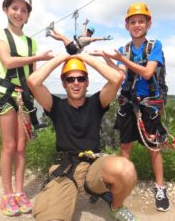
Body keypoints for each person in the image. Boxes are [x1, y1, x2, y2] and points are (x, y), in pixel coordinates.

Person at [27, 54, 139, 221]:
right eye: (70, 79)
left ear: (87, 82)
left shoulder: (96, 103)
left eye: (81, 78)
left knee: (126, 169)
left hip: (93, 167)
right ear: (64, 83)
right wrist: (62, 57)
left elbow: (117, 78)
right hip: (66, 170)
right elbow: (33, 82)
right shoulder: (55, 106)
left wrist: (82, 57)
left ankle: (116, 207)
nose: (76, 83)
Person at [91, 2, 170, 212]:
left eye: (140, 21)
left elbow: (146, 72)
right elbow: (121, 75)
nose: (136, 25)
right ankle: (123, 182)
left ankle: (160, 187)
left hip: (149, 105)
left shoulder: (154, 46)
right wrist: (109, 59)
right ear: (127, 26)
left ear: (148, 23)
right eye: (133, 22)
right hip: (128, 103)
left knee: (154, 148)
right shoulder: (124, 49)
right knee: (125, 146)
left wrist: (120, 59)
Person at [0, 0, 53, 216]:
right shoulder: (0, 35)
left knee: (21, 146)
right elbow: (7, 62)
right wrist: (37, 57)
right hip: (6, 94)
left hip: (24, 96)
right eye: (14, 8)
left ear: (28, 14)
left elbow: (32, 76)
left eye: (23, 10)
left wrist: (40, 97)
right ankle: (7, 195)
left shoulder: (31, 42)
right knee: (8, 146)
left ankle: (19, 192)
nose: (18, 13)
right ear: (5, 9)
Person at [46, 19, 112, 55]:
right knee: (63, 37)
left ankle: (49, 34)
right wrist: (85, 23)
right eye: (88, 31)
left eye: (90, 32)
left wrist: (104, 38)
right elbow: (83, 27)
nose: (88, 32)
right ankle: (52, 29)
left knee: (63, 38)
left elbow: (95, 39)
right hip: (73, 48)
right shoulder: (84, 34)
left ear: (91, 34)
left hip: (74, 49)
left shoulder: (89, 39)